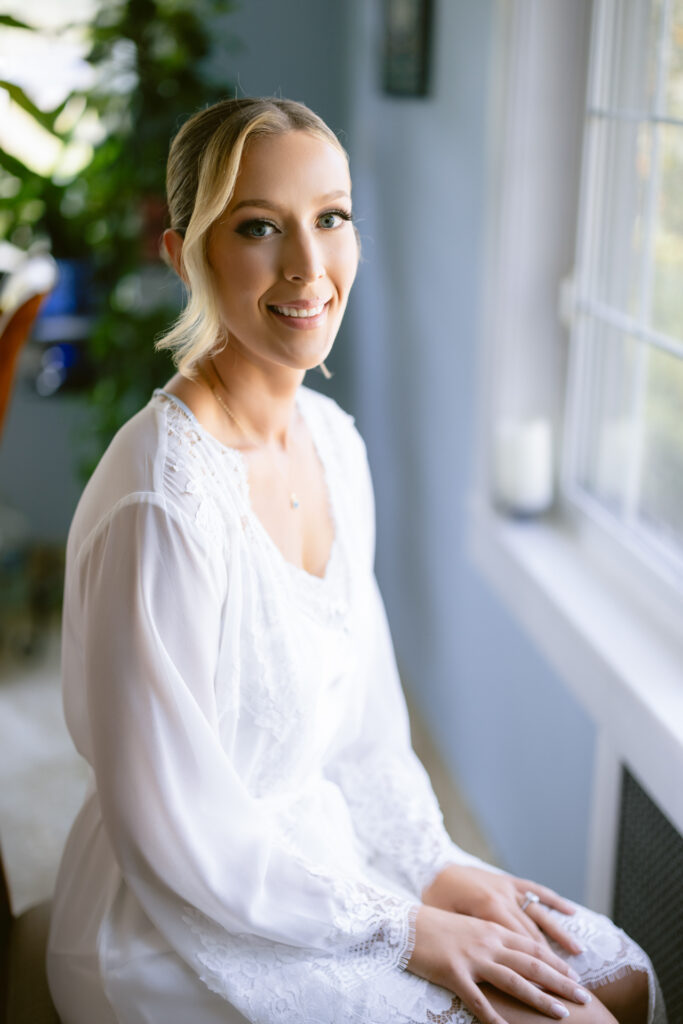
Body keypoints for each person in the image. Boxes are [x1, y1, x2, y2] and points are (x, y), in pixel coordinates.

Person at [46, 97, 666, 1024]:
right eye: (258, 227)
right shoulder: (162, 502)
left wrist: (435, 867)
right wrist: (403, 929)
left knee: (618, 975)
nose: (308, 266)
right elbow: (173, 830)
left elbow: (367, 733)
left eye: (330, 217)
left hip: (322, 848)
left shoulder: (332, 442)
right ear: (186, 257)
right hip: (176, 911)